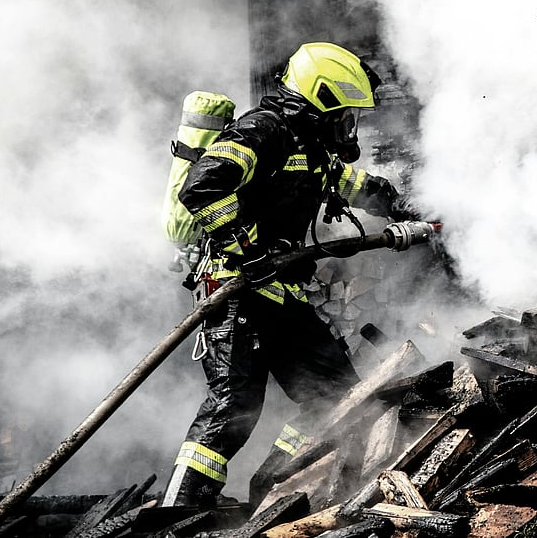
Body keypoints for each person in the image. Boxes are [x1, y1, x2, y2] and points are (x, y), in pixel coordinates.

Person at [162, 42, 418, 508]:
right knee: (234, 405)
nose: (349, 125)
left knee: (336, 394)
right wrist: (246, 249)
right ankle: (174, 513)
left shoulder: (311, 147)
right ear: (320, 100)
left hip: (277, 291)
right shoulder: (262, 131)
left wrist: (404, 206)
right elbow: (202, 186)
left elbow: (351, 185)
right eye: (345, 114)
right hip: (234, 288)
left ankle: (276, 489)